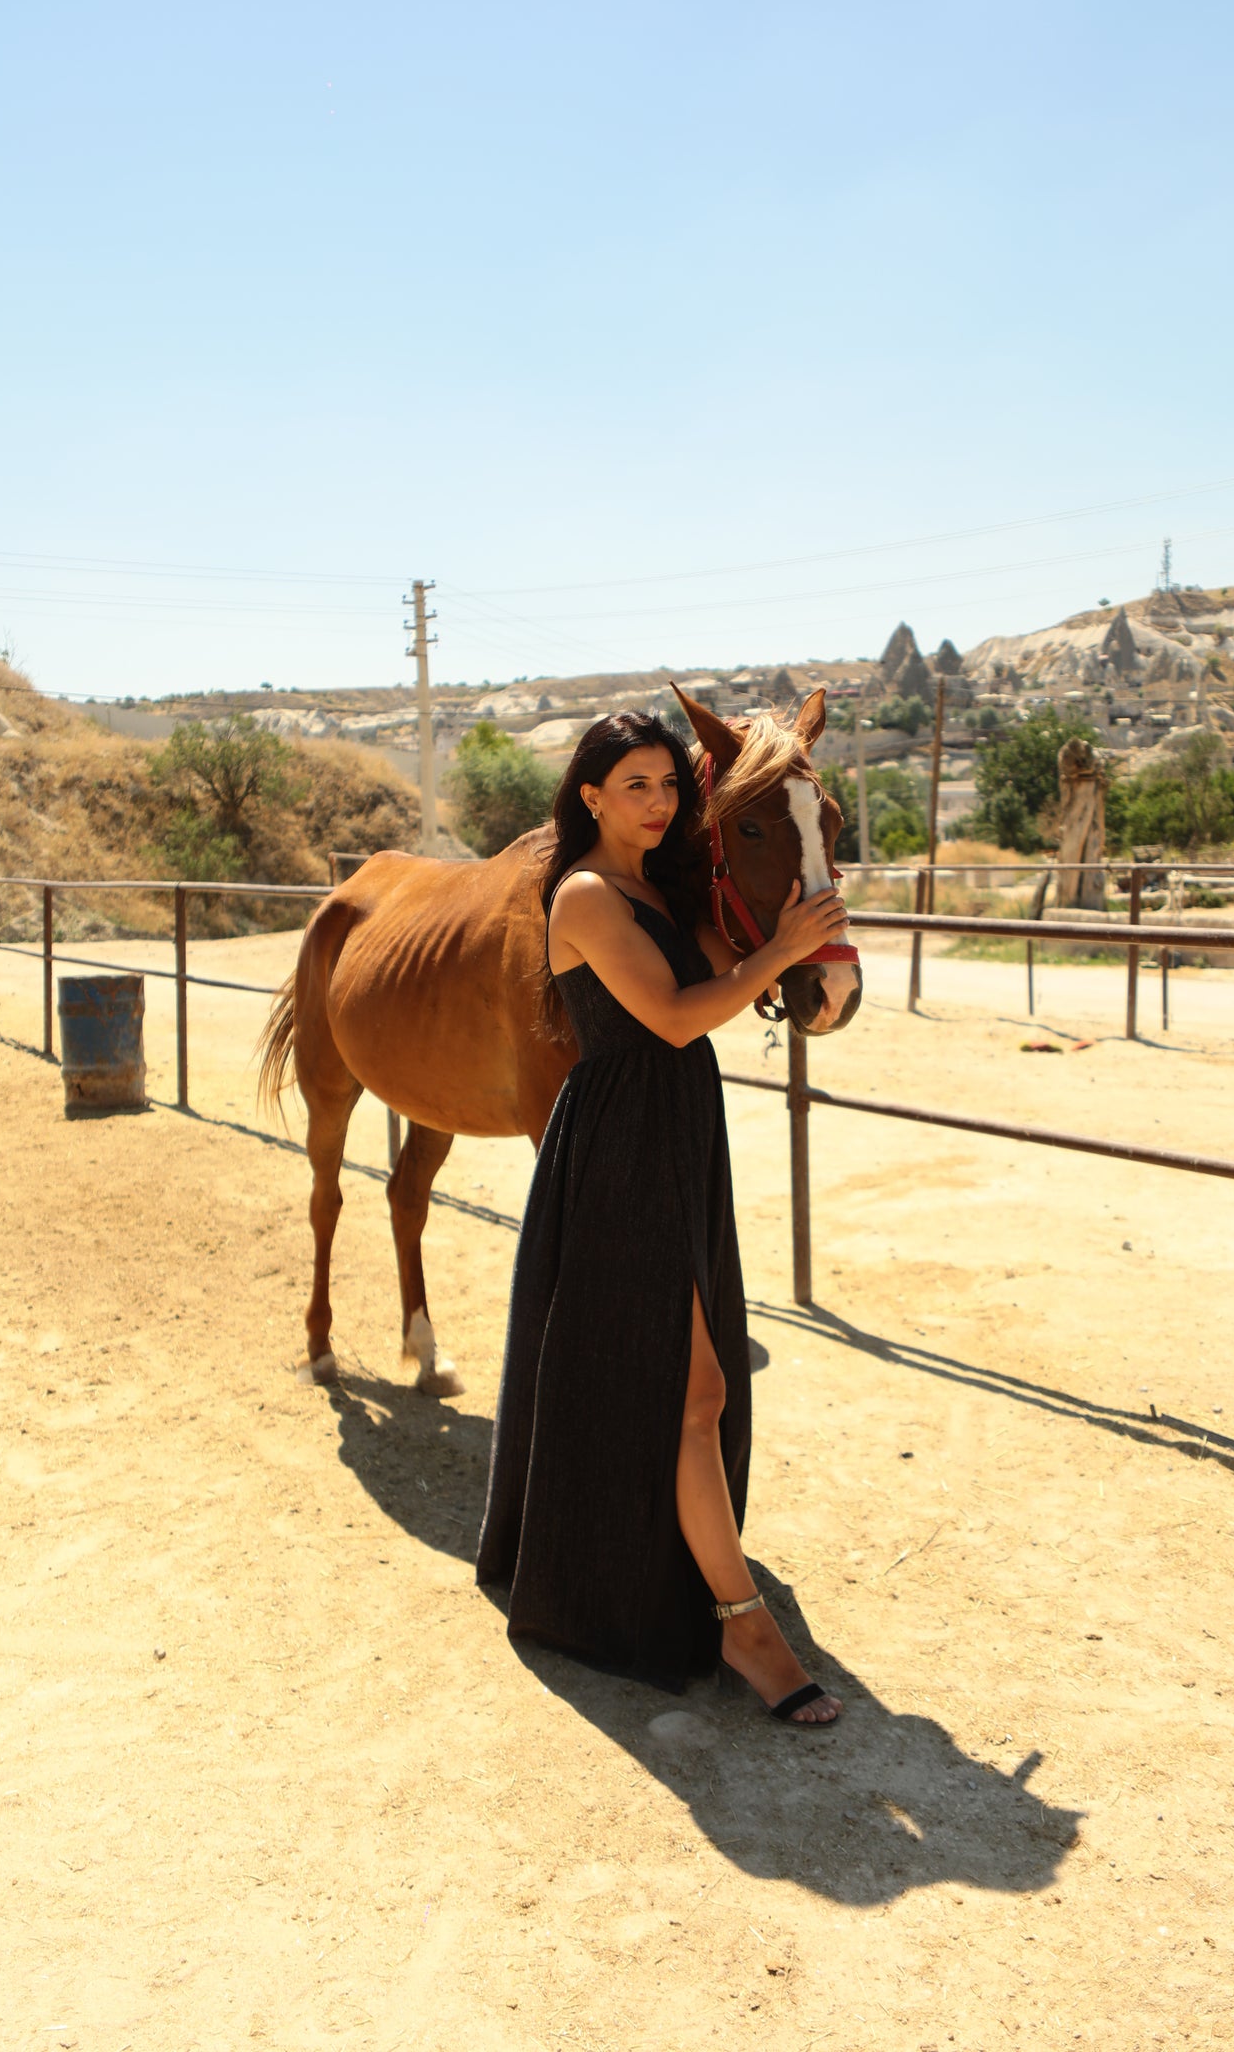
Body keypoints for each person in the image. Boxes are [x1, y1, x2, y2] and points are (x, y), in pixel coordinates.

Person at [477, 710, 848, 1725]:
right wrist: (778, 950)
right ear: (589, 796)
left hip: (676, 1128)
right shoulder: (589, 894)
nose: (654, 802)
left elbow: (727, 975)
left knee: (695, 1383)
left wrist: (795, 920)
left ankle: (687, 1587)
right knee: (695, 1388)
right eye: (633, 785)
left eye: (666, 785)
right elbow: (680, 1014)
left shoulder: (652, 886)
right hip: (621, 1144)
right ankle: (743, 1623)